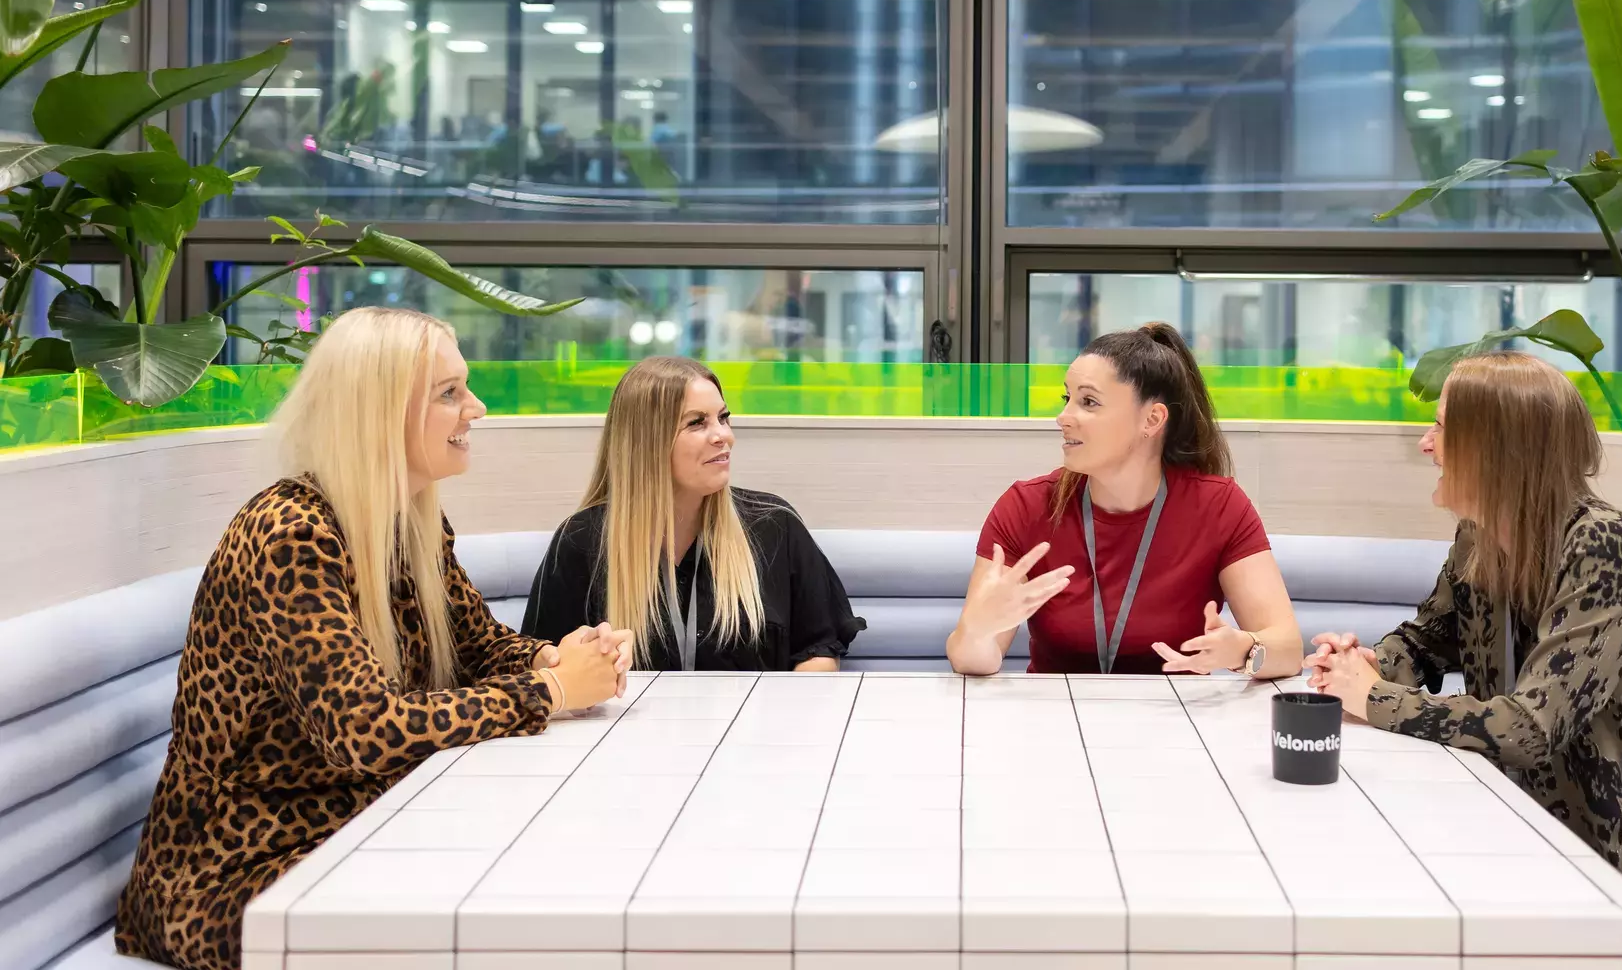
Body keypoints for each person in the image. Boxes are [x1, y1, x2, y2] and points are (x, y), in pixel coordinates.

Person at [116, 307, 634, 970]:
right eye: (449, 393)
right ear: (379, 413)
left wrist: (555, 655)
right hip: (235, 881)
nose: (475, 408)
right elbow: (362, 729)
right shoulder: (292, 536)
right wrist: (551, 691)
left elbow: (476, 644)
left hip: (362, 833)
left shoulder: (409, 522)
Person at [1306, 351, 1622, 970]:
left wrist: (1373, 698)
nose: (1427, 446)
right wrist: (1361, 663)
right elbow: (1427, 641)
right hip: (1517, 832)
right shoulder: (1483, 535)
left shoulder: (1606, 546)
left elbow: (1531, 728)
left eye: (1441, 429)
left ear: (1496, 448)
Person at [947, 322, 1302, 677]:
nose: (1063, 417)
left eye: (1089, 401)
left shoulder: (1220, 506)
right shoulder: (1025, 507)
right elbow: (972, 659)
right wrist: (977, 631)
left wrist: (1243, 649)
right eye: (1066, 398)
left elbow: (1288, 649)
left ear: (1152, 419)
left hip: (1174, 719)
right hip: (1054, 719)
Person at [522, 356, 863, 670]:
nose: (724, 436)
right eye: (697, 423)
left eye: (723, 418)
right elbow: (544, 662)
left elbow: (818, 652)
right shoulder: (582, 540)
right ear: (647, 441)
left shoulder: (774, 525)